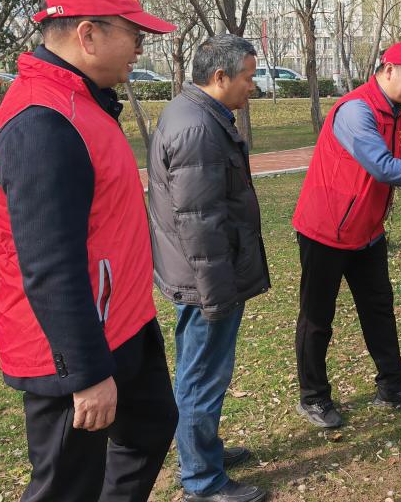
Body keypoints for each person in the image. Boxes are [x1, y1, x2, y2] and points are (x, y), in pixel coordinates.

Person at [0, 0, 179, 501]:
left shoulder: (82, 102)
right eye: (134, 36)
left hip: (120, 323)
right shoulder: (43, 124)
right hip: (70, 349)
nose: (140, 49)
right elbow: (48, 265)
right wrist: (84, 375)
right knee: (66, 487)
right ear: (88, 35)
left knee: (151, 426)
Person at [291, 41, 401, 428]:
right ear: (389, 69)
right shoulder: (356, 111)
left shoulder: (397, 117)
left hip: (367, 232)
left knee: (379, 310)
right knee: (317, 318)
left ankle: (393, 384)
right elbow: (383, 167)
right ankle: (314, 397)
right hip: (325, 230)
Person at [148, 34, 270, 502]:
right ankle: (202, 479)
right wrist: (217, 293)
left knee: (202, 372)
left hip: (203, 274)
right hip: (206, 280)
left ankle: (204, 452)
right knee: (201, 376)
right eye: (248, 77)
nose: (252, 87)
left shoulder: (196, 114)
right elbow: (198, 224)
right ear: (219, 77)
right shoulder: (197, 128)